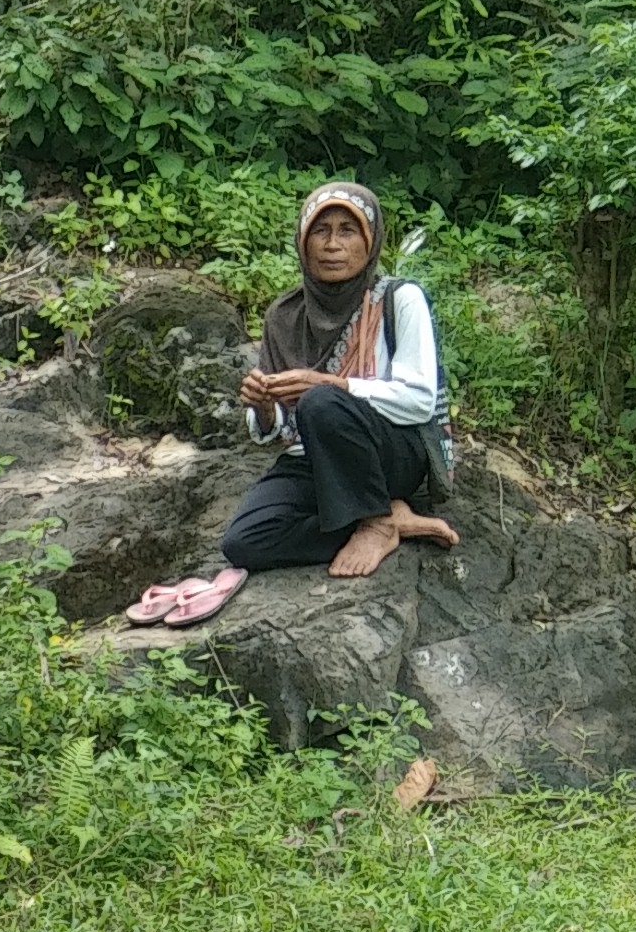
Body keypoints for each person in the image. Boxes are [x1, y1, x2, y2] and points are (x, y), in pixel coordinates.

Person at [127, 181, 453, 629]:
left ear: (371, 240)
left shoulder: (400, 299)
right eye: (321, 232)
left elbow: (419, 401)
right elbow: (283, 430)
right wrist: (264, 408)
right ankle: (388, 517)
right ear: (303, 242)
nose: (333, 245)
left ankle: (375, 522)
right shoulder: (285, 315)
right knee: (246, 542)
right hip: (318, 457)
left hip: (394, 452)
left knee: (322, 401)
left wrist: (333, 384)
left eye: (347, 231)